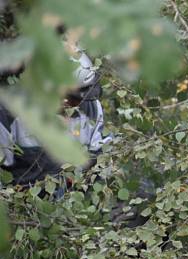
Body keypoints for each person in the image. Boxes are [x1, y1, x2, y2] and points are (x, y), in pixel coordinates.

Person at [0, 52, 111, 192]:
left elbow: (100, 162)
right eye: (72, 98)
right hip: (23, 204)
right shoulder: (9, 113)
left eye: (80, 98)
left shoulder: (92, 108)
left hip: (73, 204)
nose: (75, 105)